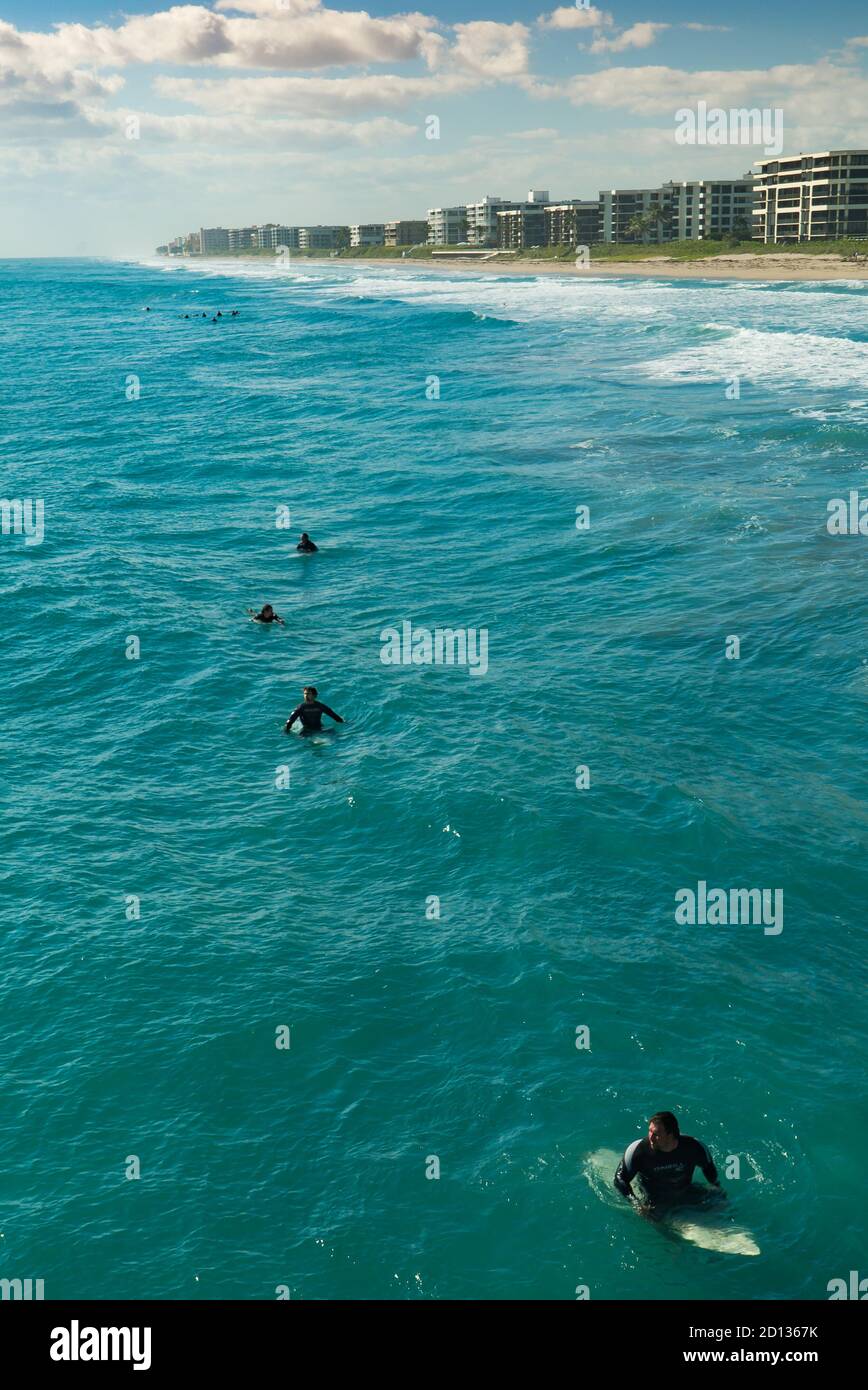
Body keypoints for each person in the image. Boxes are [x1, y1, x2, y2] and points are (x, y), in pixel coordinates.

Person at [614, 1112, 720, 1214]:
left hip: (685, 1191)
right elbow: (620, 1180)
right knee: (656, 1221)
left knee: (719, 1202)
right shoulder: (638, 1151)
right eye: (650, 1131)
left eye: (656, 1134)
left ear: (670, 1134)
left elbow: (708, 1167)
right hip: (654, 1201)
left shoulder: (694, 1147)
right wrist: (637, 1204)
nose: (650, 1137)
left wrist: (715, 1186)